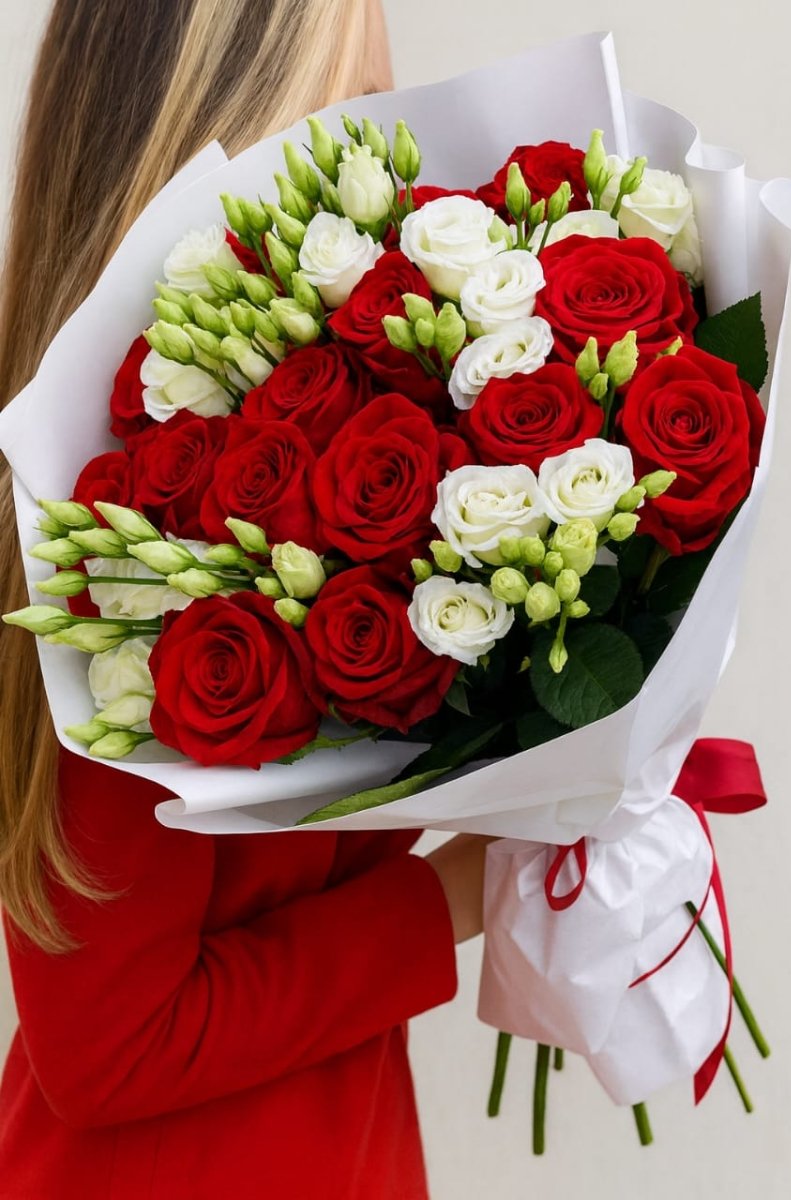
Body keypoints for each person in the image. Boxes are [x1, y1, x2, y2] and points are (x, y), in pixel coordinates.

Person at [0, 3, 489, 1196]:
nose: (381, 164)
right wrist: (456, 895)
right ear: (207, 128)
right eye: (344, 113)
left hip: (325, 1127)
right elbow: (109, 1047)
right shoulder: (117, 513)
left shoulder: (271, 435)